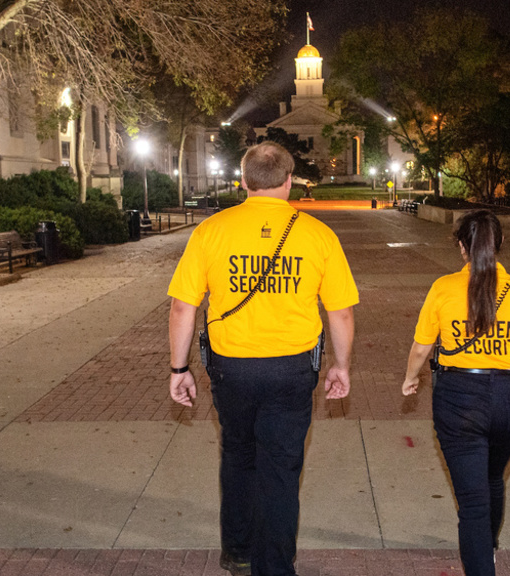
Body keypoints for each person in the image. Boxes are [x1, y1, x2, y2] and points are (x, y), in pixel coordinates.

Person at [167, 141, 358, 576]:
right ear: (290, 181)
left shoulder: (212, 231)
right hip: (292, 368)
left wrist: (179, 369)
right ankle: (274, 565)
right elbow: (340, 312)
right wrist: (340, 366)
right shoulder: (318, 235)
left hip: (231, 367)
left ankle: (238, 549)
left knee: (237, 453)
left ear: (244, 180)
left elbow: (183, 307)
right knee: (281, 465)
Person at [401, 209, 510, 576]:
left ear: (461, 247)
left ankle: (481, 560)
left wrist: (410, 378)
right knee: (492, 478)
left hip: (460, 397)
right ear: (499, 244)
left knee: (472, 499)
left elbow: (422, 348)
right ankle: (488, 545)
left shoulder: (444, 288)